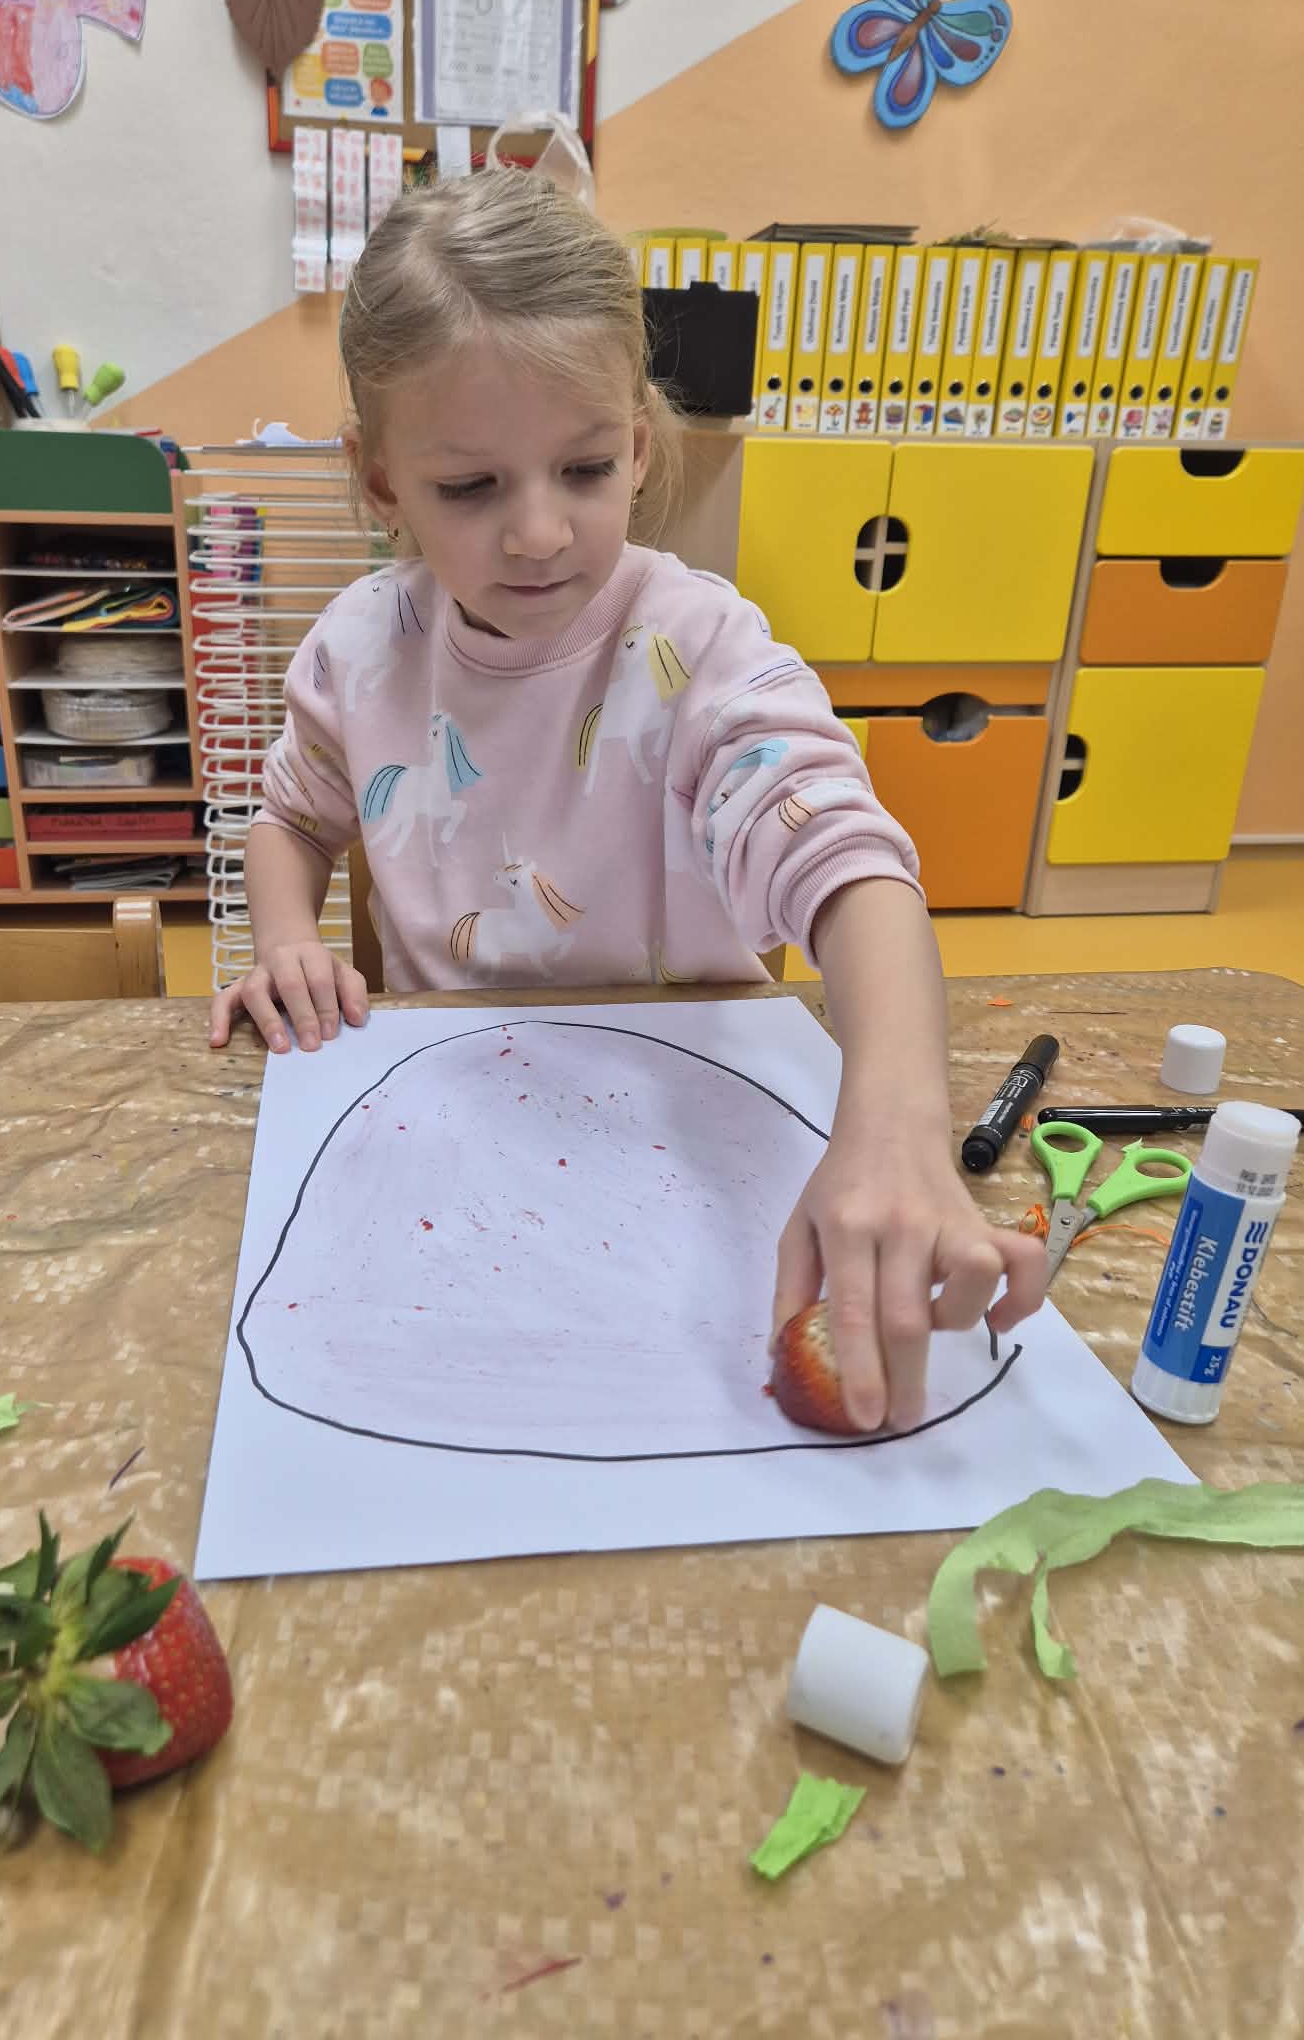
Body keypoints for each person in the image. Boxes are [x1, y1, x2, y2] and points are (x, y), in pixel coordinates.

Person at [209, 169, 1046, 1430]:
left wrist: (895, 1124)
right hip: (454, 1131)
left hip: (693, 1120)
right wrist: (285, 937)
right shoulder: (359, 651)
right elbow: (291, 817)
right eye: (471, 487)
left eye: (585, 467)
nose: (540, 532)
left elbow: (845, 860)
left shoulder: (696, 647)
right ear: (379, 482)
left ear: (640, 446)